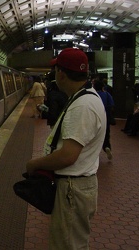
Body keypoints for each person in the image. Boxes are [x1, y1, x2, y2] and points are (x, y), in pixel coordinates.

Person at [26, 48, 106, 249]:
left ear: (61, 73)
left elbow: (68, 156)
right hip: (77, 187)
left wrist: (36, 163)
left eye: (56, 70)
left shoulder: (82, 105)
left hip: (73, 189)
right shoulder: (85, 98)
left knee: (67, 245)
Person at [93, 80, 114, 159]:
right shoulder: (107, 94)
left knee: (94, 135)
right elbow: (111, 105)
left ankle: (94, 153)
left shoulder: (94, 95)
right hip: (106, 118)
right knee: (106, 135)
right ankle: (106, 147)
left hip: (95, 118)